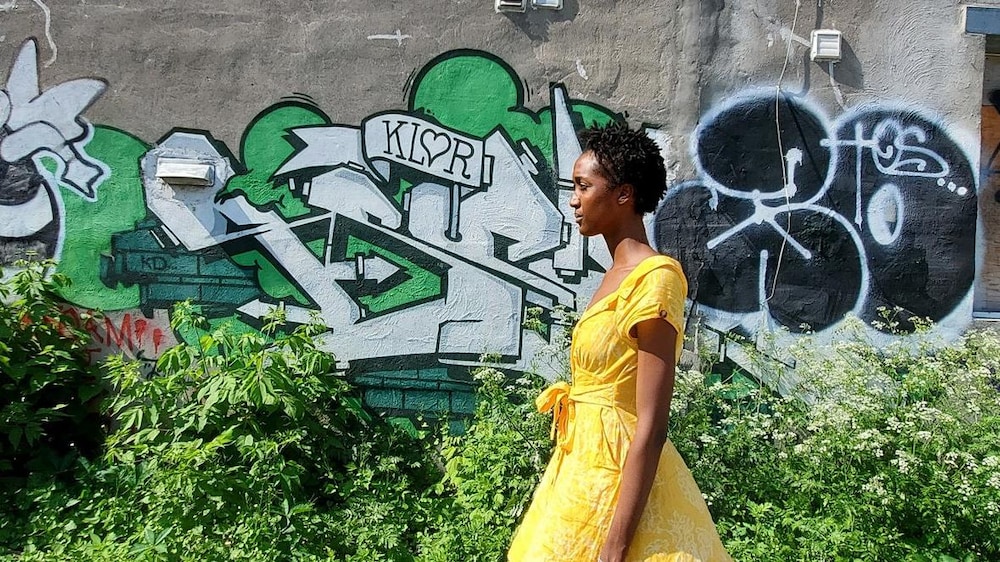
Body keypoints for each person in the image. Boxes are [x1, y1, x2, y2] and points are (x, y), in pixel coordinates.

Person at [507, 123, 731, 562]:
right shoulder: (613, 275)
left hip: (617, 474)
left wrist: (616, 545)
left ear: (623, 194)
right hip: (580, 469)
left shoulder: (655, 279)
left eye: (583, 186)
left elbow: (651, 421)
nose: (573, 199)